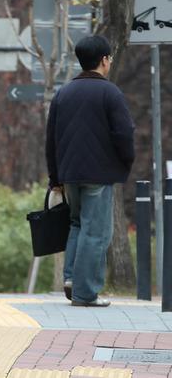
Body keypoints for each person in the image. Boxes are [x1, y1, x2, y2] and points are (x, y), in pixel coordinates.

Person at [45, 35, 135, 307]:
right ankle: (86, 293)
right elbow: (124, 133)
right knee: (96, 232)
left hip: (69, 173)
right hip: (99, 173)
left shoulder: (64, 93)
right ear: (104, 60)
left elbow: (51, 139)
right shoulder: (110, 93)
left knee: (77, 224)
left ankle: (72, 278)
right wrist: (125, 161)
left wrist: (55, 178)